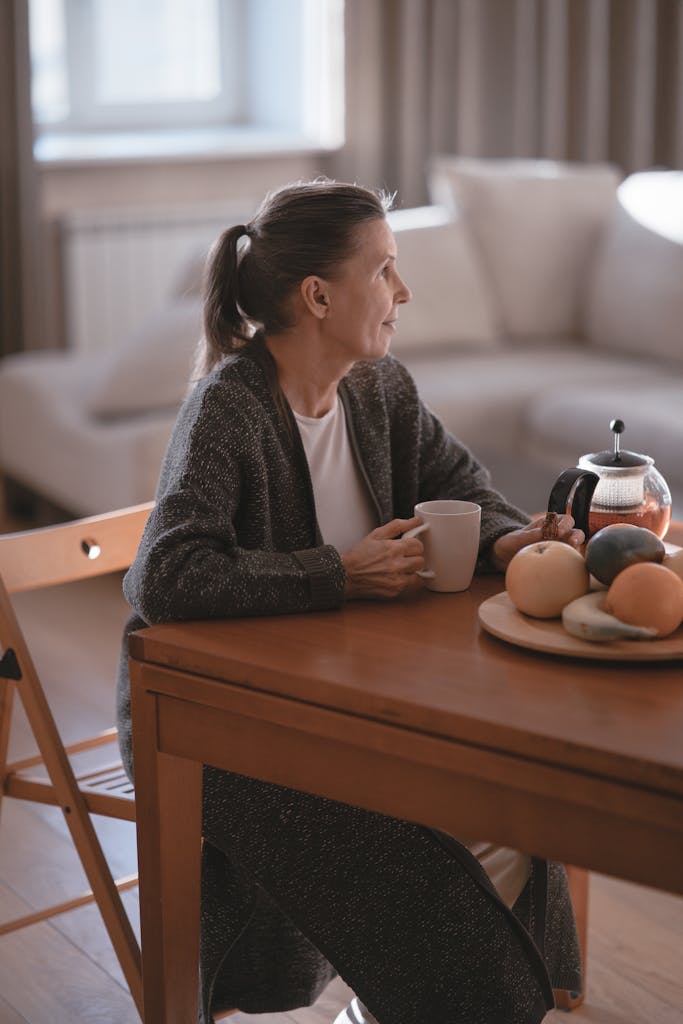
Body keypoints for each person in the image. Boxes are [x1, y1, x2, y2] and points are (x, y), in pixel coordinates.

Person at [117, 179, 584, 1024]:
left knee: (511, 815)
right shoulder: (228, 407)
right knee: (411, 863)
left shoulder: (379, 389)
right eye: (385, 270)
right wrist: (337, 573)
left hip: (350, 700)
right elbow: (166, 576)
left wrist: (510, 541)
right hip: (217, 722)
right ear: (318, 297)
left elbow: (463, 488)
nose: (402, 292)